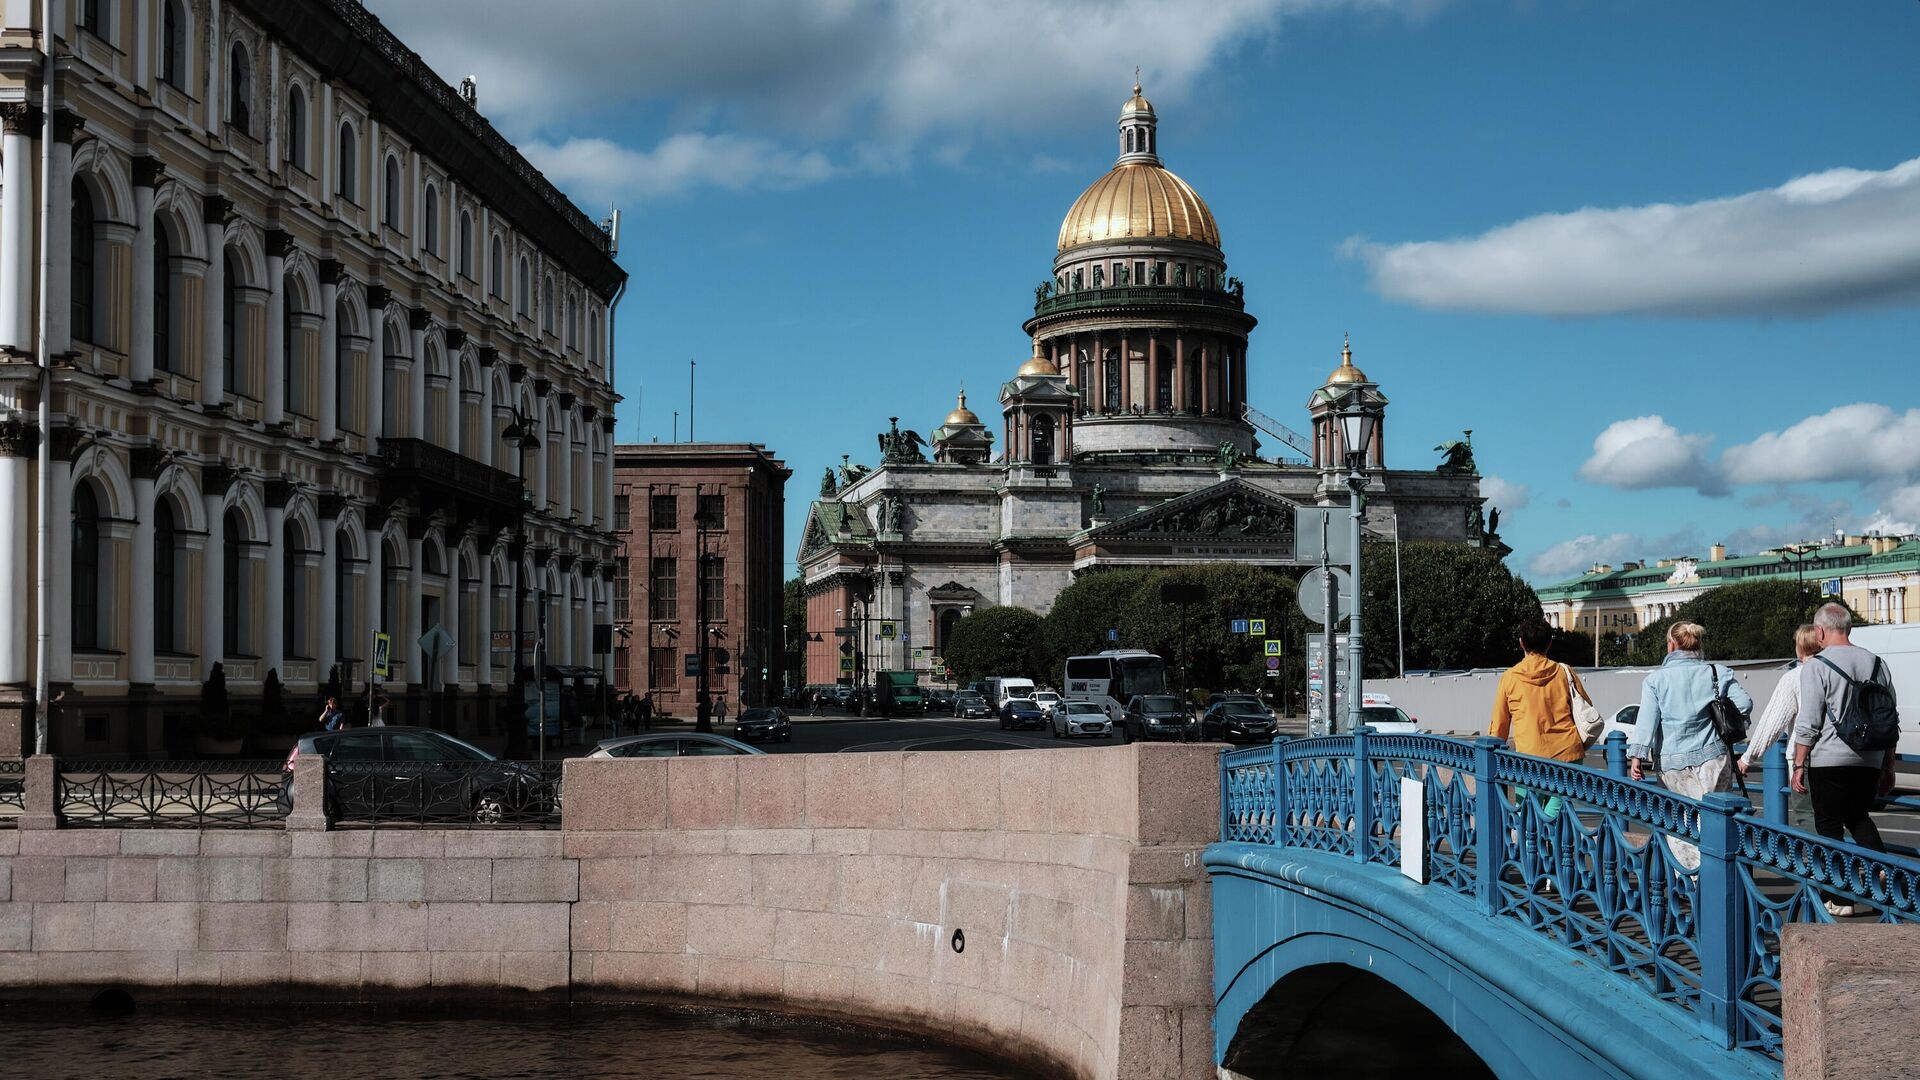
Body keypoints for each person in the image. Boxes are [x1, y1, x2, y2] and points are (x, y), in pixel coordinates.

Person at [1791, 603, 1897, 916]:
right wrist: (1888, 766)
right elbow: (1890, 718)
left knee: (1828, 828)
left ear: (1820, 632)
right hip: (1870, 759)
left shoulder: (1817, 665)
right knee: (1858, 816)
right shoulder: (1877, 663)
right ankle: (1886, 874)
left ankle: (1840, 898)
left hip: (1829, 759)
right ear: (1848, 628)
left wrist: (1799, 764)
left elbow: (1809, 721)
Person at [1628, 622, 1753, 871]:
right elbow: (1745, 704)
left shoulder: (1656, 680)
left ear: (1671, 645)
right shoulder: (1717, 673)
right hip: (1714, 758)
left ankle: (1694, 879)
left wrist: (1636, 758)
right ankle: (1720, 873)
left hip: (1673, 763)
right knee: (1715, 820)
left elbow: (1647, 722)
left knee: (1679, 823)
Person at [1488, 619, 1594, 822]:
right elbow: (1585, 705)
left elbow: (1499, 726)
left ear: (1521, 643)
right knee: (1555, 817)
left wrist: (1493, 752)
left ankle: (1530, 851)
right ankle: (1551, 848)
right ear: (1550, 643)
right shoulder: (1564, 672)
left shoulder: (1510, 677)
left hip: (1529, 758)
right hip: (1567, 756)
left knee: (1526, 817)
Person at [1737, 623, 1820, 832]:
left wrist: (1748, 757)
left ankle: (1822, 864)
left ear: (1800, 647)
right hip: (1842, 756)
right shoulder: (1836, 671)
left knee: (1808, 816)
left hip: (1805, 757)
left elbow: (1772, 723)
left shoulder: (1794, 677)